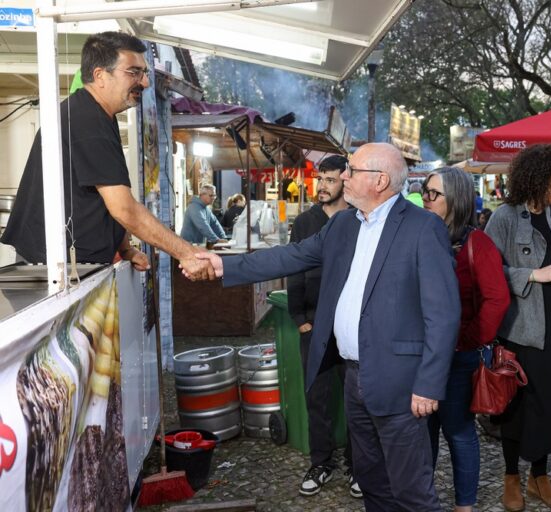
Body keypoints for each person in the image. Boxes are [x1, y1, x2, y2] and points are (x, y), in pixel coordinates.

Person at [190, 143, 461, 511]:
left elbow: (443, 314)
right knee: (371, 482)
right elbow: (292, 255)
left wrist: (428, 384)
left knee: (412, 491)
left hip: (401, 384)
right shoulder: (343, 224)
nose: (344, 176)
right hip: (354, 378)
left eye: (352, 170)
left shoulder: (423, 228)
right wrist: (224, 265)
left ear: (380, 180)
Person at [0, 31, 212, 279]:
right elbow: (124, 208)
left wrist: (125, 248)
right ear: (100, 75)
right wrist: (187, 253)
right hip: (53, 269)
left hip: (73, 263)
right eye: (134, 72)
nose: (145, 82)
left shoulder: (97, 115)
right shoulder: (87, 121)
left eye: (144, 73)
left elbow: (104, 194)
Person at [484, 143, 551, 511]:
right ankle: (512, 476)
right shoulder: (504, 217)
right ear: (538, 179)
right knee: (518, 406)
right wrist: (532, 275)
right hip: (521, 330)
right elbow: (486, 272)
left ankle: (539, 477)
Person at [422, 167, 511, 512]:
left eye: (434, 193)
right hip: (422, 355)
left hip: (459, 357)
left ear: (456, 200)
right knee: (423, 432)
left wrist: (468, 339)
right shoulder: (423, 236)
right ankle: (422, 498)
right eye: (425, 191)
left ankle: (465, 505)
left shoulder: (477, 243)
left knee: (458, 431)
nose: (425, 198)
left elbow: (497, 300)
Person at [286, 155, 359, 498]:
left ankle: (358, 466)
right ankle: (321, 462)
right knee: (316, 397)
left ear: (346, 181)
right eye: (321, 179)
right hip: (314, 324)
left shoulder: (359, 219)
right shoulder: (306, 221)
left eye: (330, 180)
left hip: (351, 324)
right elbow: (294, 268)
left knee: (356, 399)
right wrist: (299, 318)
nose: (323, 186)